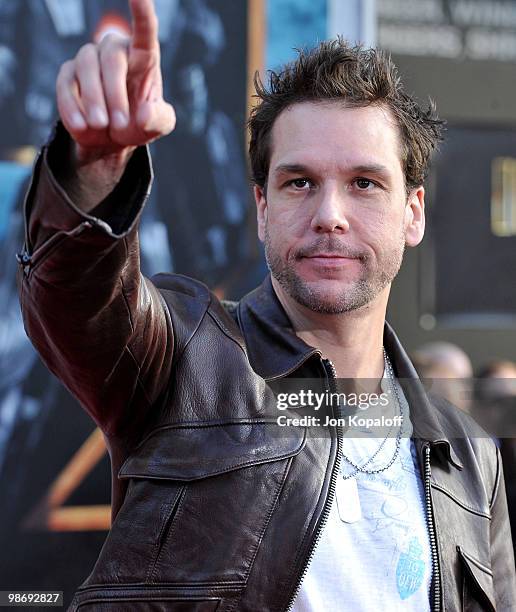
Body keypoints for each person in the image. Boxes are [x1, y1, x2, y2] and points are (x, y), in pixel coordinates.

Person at [18, 0, 516, 609]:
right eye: (299, 182)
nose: (329, 216)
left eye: (364, 183)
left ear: (412, 212)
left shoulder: (467, 456)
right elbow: (77, 298)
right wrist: (92, 170)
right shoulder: (184, 361)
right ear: (262, 207)